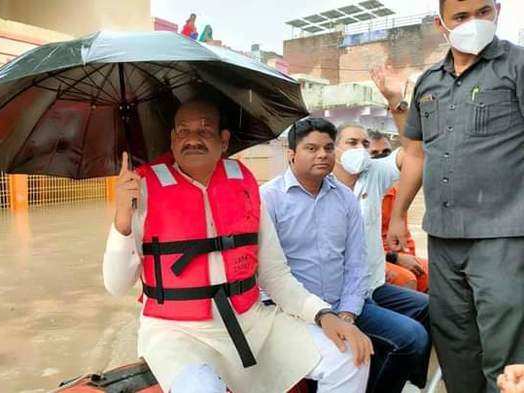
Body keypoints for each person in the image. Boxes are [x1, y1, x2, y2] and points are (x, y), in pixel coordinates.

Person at [103, 99, 372, 393]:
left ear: (224, 140)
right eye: (183, 131)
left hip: (251, 321)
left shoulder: (245, 186)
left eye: (205, 129)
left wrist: (323, 314)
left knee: (348, 356)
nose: (192, 138)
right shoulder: (141, 191)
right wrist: (122, 221)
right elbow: (116, 286)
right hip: (176, 332)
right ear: (172, 139)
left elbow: (276, 276)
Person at [372, 0, 524, 391]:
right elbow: (417, 154)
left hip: (502, 233)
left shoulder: (516, 66)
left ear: (497, 11)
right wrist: (398, 215)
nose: (474, 23)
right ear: (441, 24)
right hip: (442, 236)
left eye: (483, 12)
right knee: (454, 340)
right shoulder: (429, 83)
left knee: (504, 349)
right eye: (461, 16)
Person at [261, 118, 429, 393]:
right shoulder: (269, 198)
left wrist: (348, 314)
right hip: (294, 311)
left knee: (412, 338)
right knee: (345, 352)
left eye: (328, 148)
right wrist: (323, 316)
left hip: (346, 305)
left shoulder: (345, 198)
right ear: (291, 154)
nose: (322, 155)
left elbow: (355, 263)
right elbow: (270, 273)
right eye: (312, 148)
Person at [368, 131, 429, 293]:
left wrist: (410, 258)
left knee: (438, 273)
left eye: (386, 153)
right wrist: (396, 258)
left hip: (396, 256)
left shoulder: (396, 192)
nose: (381, 158)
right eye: (374, 154)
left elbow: (404, 238)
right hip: (375, 260)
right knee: (407, 279)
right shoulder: (357, 193)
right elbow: (362, 246)